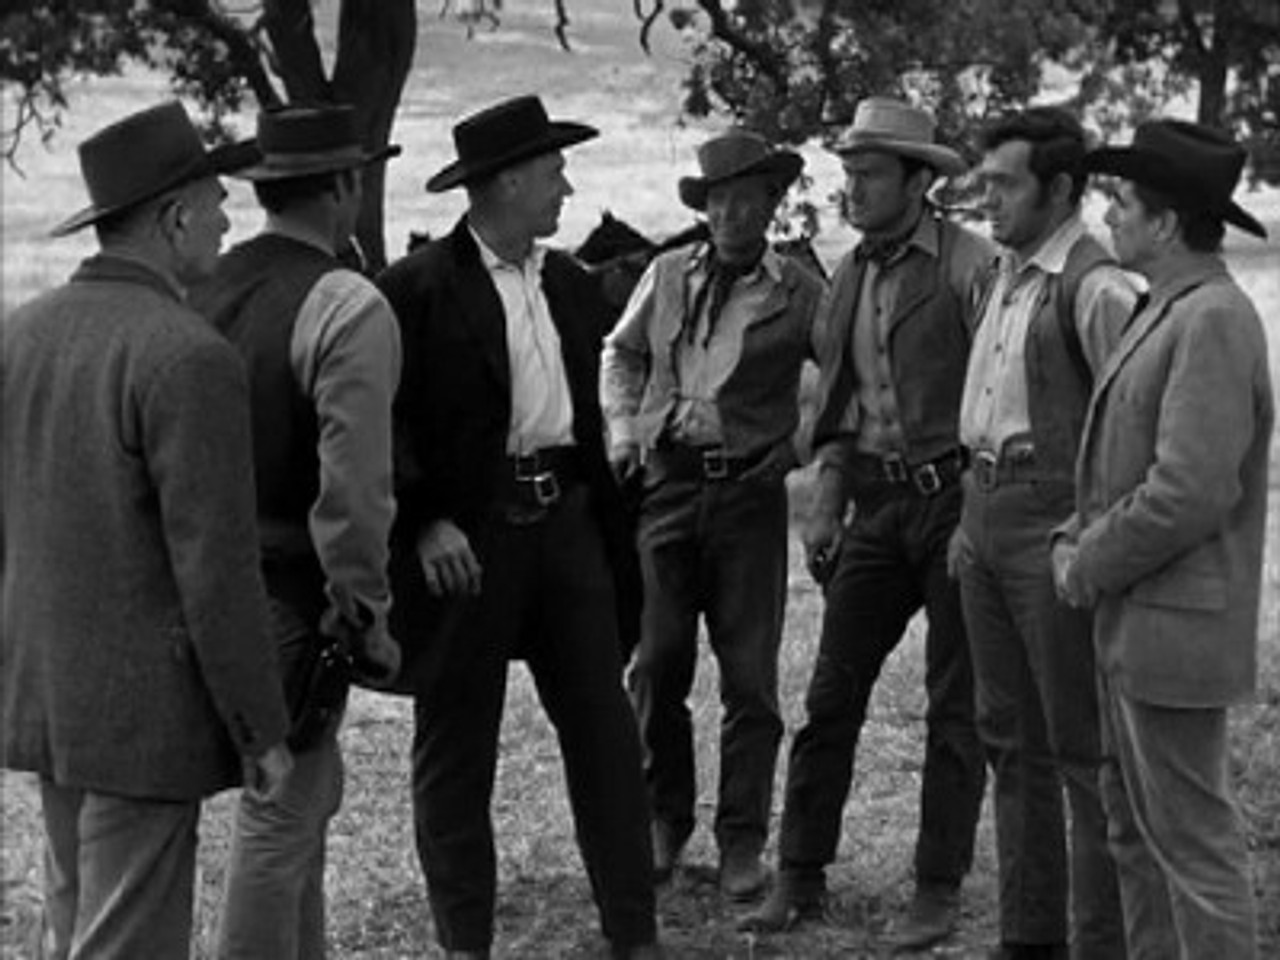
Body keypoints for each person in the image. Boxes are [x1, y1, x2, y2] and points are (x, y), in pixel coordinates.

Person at [1, 101, 292, 959]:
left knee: (74, 926)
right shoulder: (188, 355)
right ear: (173, 219)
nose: (229, 221)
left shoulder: (20, 335)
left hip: (47, 692)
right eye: (216, 204)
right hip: (143, 719)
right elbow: (217, 570)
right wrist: (260, 728)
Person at [376, 95, 661, 960]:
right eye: (551, 171)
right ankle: (465, 942)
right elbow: (381, 418)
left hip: (567, 530)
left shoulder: (571, 285)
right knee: (458, 746)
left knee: (606, 736)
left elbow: (600, 403)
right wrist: (424, 521)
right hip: (470, 543)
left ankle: (634, 935)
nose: (566, 187)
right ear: (504, 183)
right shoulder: (417, 290)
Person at [743, 97, 992, 948]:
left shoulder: (970, 266)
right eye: (848, 173)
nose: (852, 188)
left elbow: (1002, 396)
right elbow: (841, 405)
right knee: (830, 697)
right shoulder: (849, 273)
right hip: (878, 506)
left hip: (956, 501)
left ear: (920, 183)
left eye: (871, 174)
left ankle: (937, 886)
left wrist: (981, 514)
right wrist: (827, 501)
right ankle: (799, 874)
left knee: (955, 706)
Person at [1054, 119, 1272, 960]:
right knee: (1136, 836)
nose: (1109, 215)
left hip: (1172, 628)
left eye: (1122, 201)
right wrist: (1078, 536)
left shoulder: (1212, 318)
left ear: (1167, 223)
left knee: (1193, 849)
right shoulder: (1169, 308)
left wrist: (1087, 562)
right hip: (1138, 624)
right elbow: (1124, 468)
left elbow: (1190, 490)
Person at [190, 103, 404, 960]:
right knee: (280, 816)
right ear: (345, 186)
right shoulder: (347, 304)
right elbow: (353, 495)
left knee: (302, 805)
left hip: (197, 579)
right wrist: (366, 615)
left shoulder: (201, 283)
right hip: (291, 600)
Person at [600, 128, 825, 901]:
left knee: (750, 678)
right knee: (656, 662)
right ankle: (662, 821)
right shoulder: (667, 274)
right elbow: (621, 351)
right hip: (667, 483)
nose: (730, 215)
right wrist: (623, 430)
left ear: (771, 203)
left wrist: (794, 448)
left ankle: (742, 842)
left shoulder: (799, 291)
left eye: (746, 200)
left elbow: (847, 375)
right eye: (718, 201)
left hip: (748, 498)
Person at [954, 106, 1137, 960]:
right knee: (1008, 741)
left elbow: (1134, 429)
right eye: (983, 181)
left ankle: (1101, 942)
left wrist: (1087, 533)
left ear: (1060, 189)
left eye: (1005, 184)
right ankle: (1029, 939)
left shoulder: (1096, 289)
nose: (987, 198)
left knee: (1081, 751)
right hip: (986, 512)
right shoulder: (1002, 273)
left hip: (1054, 520)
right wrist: (970, 516)